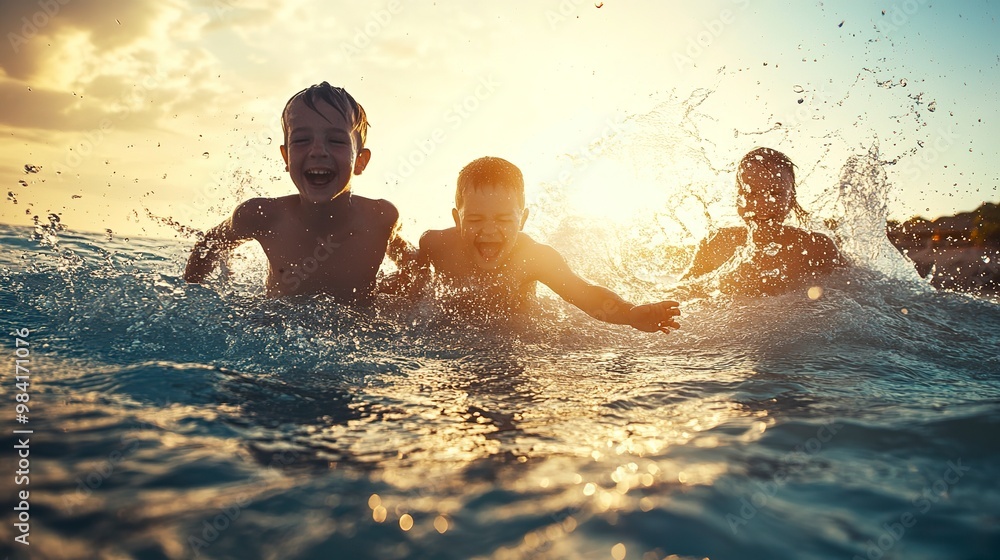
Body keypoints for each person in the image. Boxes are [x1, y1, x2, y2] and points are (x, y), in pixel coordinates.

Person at [184, 82, 413, 300]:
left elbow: (414, 266)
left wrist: (393, 294)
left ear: (360, 161)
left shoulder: (379, 219)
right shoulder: (262, 216)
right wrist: (193, 295)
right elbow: (211, 243)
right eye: (302, 140)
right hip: (276, 326)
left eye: (336, 141)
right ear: (286, 157)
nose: (317, 151)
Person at [417, 156, 680, 333]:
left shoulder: (534, 258)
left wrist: (629, 313)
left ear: (523, 220)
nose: (489, 230)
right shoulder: (436, 245)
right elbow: (411, 286)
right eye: (474, 219)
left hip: (514, 334)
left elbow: (585, 294)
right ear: (457, 219)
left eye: (503, 219)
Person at [683, 147, 844, 294]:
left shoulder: (816, 248)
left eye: (775, 193)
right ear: (738, 197)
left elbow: (858, 294)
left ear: (791, 199)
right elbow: (682, 293)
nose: (763, 205)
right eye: (751, 193)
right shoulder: (715, 243)